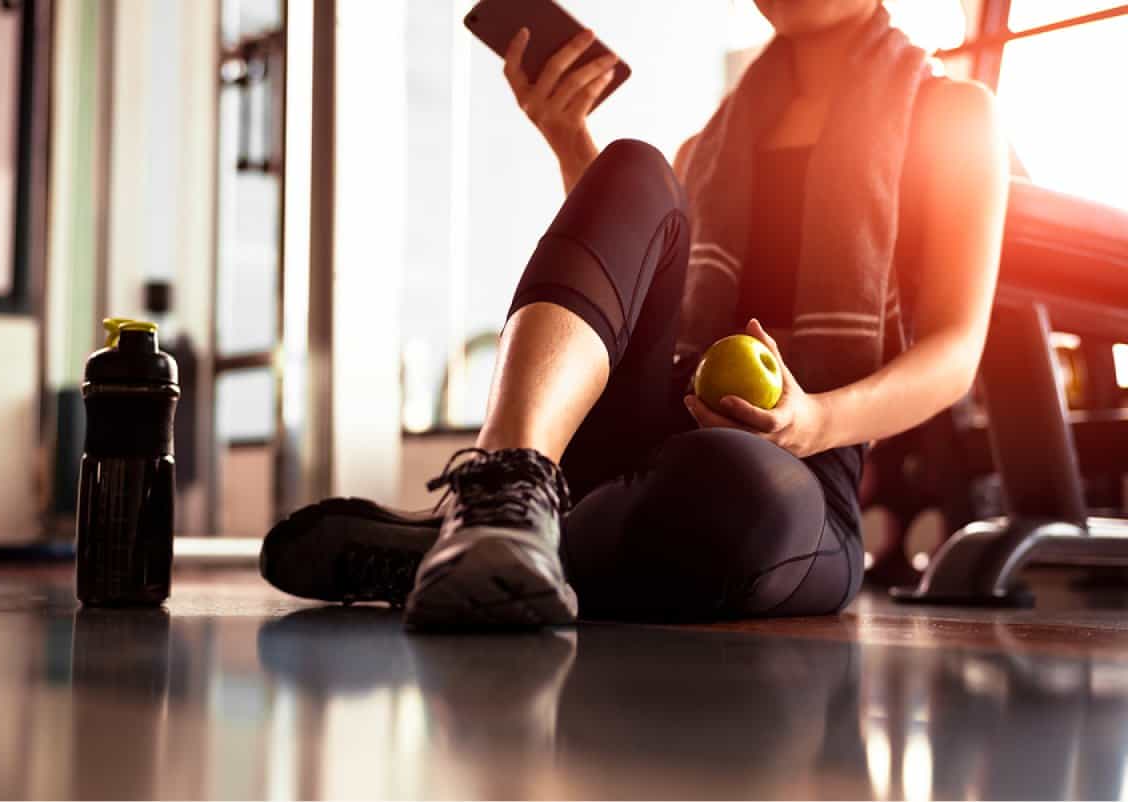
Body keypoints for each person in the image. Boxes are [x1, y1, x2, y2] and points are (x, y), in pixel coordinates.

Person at [260, 0, 1009, 630]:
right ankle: (507, 496)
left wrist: (811, 422)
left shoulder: (952, 115)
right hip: (633, 446)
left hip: (797, 482)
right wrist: (569, 144)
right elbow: (646, 310)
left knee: (725, 482)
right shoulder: (706, 147)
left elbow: (953, 353)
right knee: (633, 165)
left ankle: (480, 548)